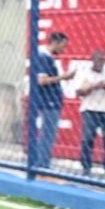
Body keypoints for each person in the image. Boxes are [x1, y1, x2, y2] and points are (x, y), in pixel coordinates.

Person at [74, 48, 105, 179]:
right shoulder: (84, 73)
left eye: (102, 60)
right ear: (92, 61)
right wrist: (95, 85)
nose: (100, 63)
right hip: (90, 109)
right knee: (87, 139)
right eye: (97, 60)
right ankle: (86, 168)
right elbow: (79, 92)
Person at [30, 32, 72, 171]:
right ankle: (42, 164)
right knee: (47, 134)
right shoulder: (44, 57)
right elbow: (41, 80)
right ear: (55, 42)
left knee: (48, 133)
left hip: (51, 101)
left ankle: (41, 163)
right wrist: (63, 77)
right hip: (49, 102)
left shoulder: (47, 57)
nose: (63, 50)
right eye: (63, 46)